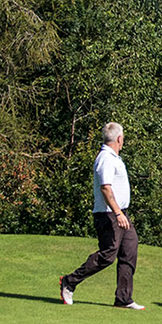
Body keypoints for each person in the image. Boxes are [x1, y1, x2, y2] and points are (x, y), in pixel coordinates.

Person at [61, 122, 143, 309]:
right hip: (109, 214)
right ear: (119, 139)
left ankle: (123, 298)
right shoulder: (106, 158)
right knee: (108, 255)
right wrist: (118, 213)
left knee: (129, 251)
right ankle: (69, 282)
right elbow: (105, 188)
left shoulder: (113, 157)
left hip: (120, 214)